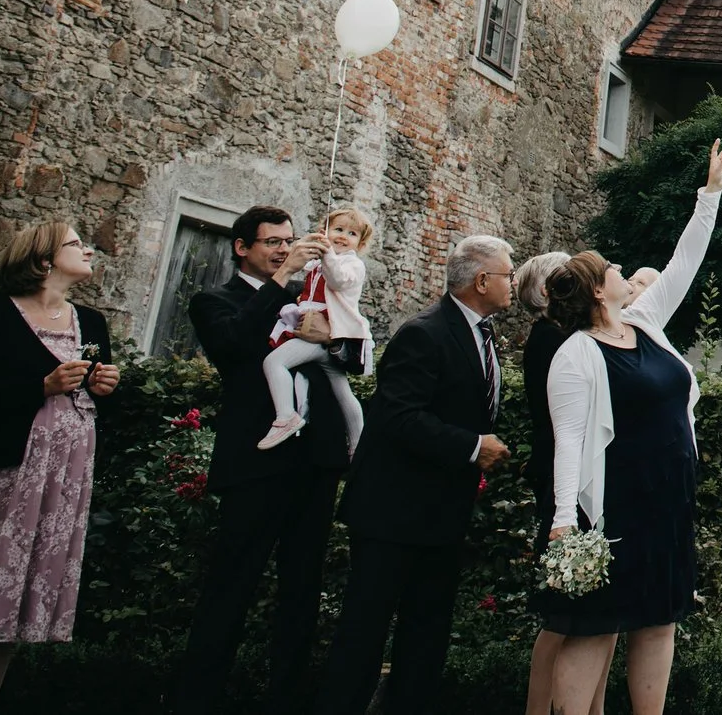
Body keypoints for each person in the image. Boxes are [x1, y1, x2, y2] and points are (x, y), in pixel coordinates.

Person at [545, 139, 722, 715]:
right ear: (598, 291)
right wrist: (562, 520)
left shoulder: (645, 322)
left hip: (668, 501)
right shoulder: (575, 355)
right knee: (595, 627)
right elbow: (570, 441)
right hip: (612, 509)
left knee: (659, 620)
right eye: (615, 270)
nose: (626, 272)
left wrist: (710, 196)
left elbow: (685, 264)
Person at [316, 233, 517, 715]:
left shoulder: (480, 331)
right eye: (508, 274)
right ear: (482, 280)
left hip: (443, 510)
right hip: (393, 510)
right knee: (364, 632)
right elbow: (399, 417)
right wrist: (473, 446)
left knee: (426, 633)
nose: (513, 282)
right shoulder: (424, 332)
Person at [173, 206, 351, 715]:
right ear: (242, 248)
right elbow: (234, 349)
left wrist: (338, 334)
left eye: (289, 241)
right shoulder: (215, 300)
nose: (282, 248)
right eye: (272, 242)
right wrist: (280, 278)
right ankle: (196, 700)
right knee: (232, 585)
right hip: (254, 464)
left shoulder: (307, 298)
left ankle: (288, 699)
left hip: (312, 463)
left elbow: (344, 364)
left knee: (303, 590)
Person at [0, 221, 118, 715]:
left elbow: (95, 402)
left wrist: (105, 388)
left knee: (1, 616)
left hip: (60, 479)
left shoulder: (91, 322)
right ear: (44, 259)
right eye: (76, 244)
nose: (88, 249)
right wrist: (41, 386)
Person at [511, 248, 598, 715]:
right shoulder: (551, 340)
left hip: (579, 478)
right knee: (561, 611)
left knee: (588, 615)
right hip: (560, 481)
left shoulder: (568, 337)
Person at [260, 207, 375, 454]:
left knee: (274, 363)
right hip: (316, 329)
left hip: (324, 330)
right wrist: (309, 245)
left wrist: (327, 255)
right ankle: (359, 446)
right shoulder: (322, 260)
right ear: (326, 230)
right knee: (341, 388)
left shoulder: (352, 265)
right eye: (338, 229)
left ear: (360, 243)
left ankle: (286, 416)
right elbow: (300, 263)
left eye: (352, 233)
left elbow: (338, 280)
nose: (344, 236)